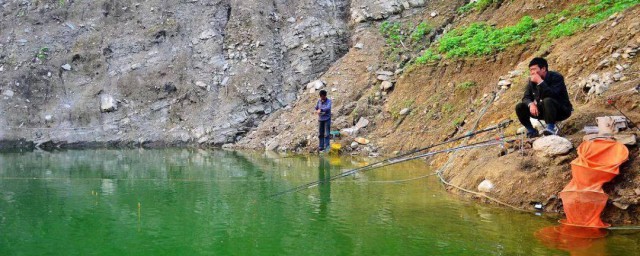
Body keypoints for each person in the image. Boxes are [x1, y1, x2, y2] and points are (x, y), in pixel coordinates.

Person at [515, 57, 573, 138]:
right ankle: (531, 131)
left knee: (547, 100)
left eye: (534, 69)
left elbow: (553, 94)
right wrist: (531, 104)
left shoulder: (556, 77)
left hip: (561, 110)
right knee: (520, 107)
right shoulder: (532, 81)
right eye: (530, 70)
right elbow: (526, 97)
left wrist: (540, 82)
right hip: (544, 111)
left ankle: (550, 128)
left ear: (543, 69)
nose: (532, 72)